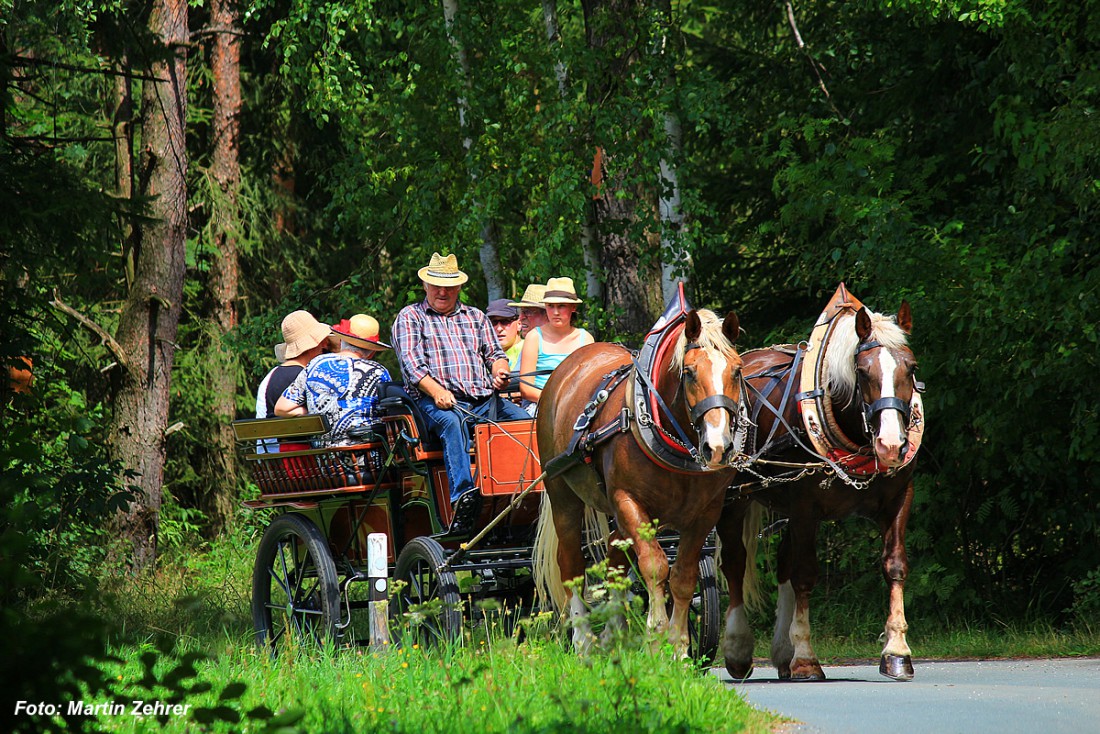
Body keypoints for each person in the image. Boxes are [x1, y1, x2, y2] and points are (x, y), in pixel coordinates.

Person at [391, 252, 529, 503]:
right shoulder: (410, 317)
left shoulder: (476, 317)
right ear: (425, 285)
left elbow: (495, 354)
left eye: (449, 287)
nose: (443, 292)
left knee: (523, 420)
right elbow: (413, 368)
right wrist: (437, 392)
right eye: (437, 286)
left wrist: (500, 371)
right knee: (451, 423)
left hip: (484, 400)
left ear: (458, 287)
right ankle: (463, 497)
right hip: (433, 402)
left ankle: (522, 488)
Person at [275, 313, 391, 447]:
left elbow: (282, 408)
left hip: (326, 462)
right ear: (372, 352)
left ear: (341, 342)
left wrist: (315, 412)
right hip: (366, 458)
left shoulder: (315, 364)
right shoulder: (378, 372)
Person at [254, 310, 330, 453]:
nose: (325, 345)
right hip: (298, 464)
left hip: (268, 463)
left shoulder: (270, 376)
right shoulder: (306, 377)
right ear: (311, 346)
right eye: (321, 341)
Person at [518, 277, 594, 407]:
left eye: (561, 306)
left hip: (576, 406)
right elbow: (526, 389)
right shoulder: (534, 337)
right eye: (550, 306)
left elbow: (590, 382)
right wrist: (560, 402)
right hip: (539, 405)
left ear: (573, 307)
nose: (555, 312)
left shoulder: (586, 339)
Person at [486, 298, 523, 370]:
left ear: (519, 324)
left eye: (505, 321)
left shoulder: (530, 349)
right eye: (493, 322)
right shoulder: (484, 355)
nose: (499, 328)